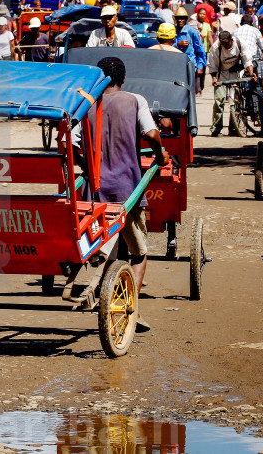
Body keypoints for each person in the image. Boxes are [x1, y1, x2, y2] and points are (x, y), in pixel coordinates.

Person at [94, 56, 167, 332]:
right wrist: (160, 152)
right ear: (123, 79)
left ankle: (104, 287)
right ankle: (131, 311)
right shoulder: (135, 99)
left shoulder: (88, 103)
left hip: (96, 191)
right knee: (139, 252)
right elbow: (150, 133)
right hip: (127, 189)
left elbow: (75, 144)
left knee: (104, 243)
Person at [208, 30, 255, 137]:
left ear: (231, 40)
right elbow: (212, 64)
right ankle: (216, 128)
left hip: (235, 72)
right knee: (219, 100)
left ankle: (233, 127)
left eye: (227, 43)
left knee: (236, 101)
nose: (226, 45)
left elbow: (247, 59)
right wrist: (214, 78)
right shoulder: (216, 47)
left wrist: (251, 73)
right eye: (223, 43)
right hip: (221, 74)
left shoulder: (239, 43)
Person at [234, 14, 263, 134]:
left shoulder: (235, 31)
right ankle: (257, 114)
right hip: (251, 62)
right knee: (257, 87)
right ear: (252, 23)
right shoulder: (255, 31)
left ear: (241, 23)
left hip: (237, 62)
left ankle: (232, 127)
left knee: (236, 90)